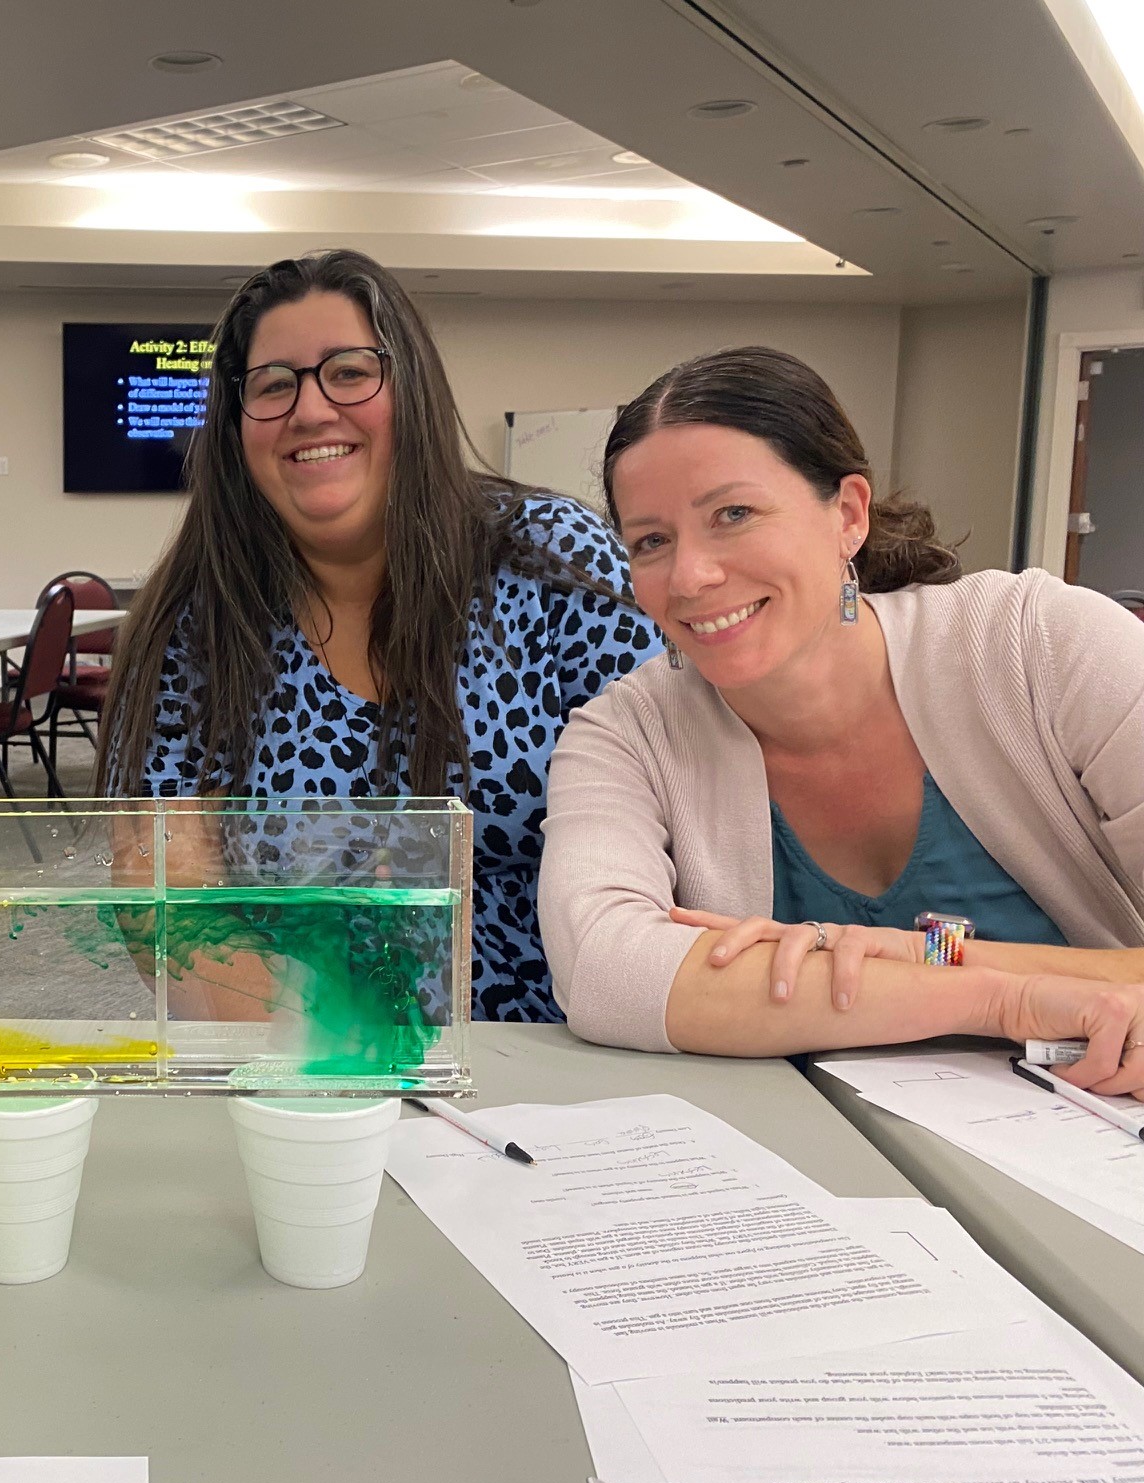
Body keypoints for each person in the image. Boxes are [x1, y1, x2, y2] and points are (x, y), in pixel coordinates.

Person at [541, 345, 1144, 1099]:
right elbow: (604, 971)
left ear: (849, 515)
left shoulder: (1042, 645)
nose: (690, 576)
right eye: (651, 542)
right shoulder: (624, 735)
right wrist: (1000, 1000)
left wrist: (904, 957)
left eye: (733, 515)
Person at [97, 248, 660, 1022]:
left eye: (350, 372)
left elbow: (676, 833)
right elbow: (164, 906)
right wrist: (349, 1050)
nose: (310, 409)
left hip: (565, 1055)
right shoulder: (194, 625)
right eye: (273, 385)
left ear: (411, 391)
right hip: (298, 1063)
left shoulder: (556, 561)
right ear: (235, 427)